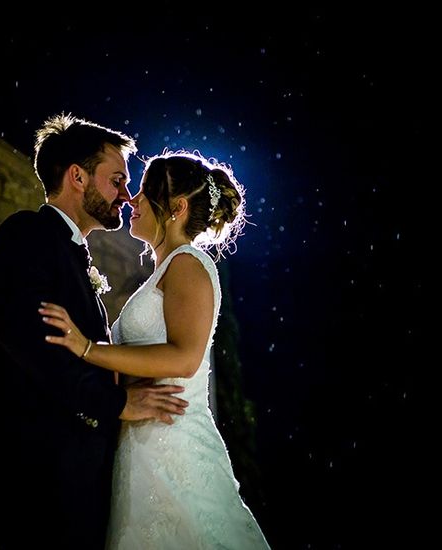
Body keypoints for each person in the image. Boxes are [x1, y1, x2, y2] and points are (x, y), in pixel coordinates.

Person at [0, 115, 189, 550]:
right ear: (77, 177)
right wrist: (117, 402)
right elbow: (33, 346)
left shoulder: (71, 254)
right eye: (117, 179)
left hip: (69, 491)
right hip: (28, 494)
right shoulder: (26, 235)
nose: (126, 194)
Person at [40, 151, 270, 549]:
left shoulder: (188, 264)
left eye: (145, 192)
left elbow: (183, 358)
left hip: (172, 442)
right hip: (140, 444)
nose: (132, 200)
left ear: (177, 208)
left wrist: (88, 349)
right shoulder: (162, 273)